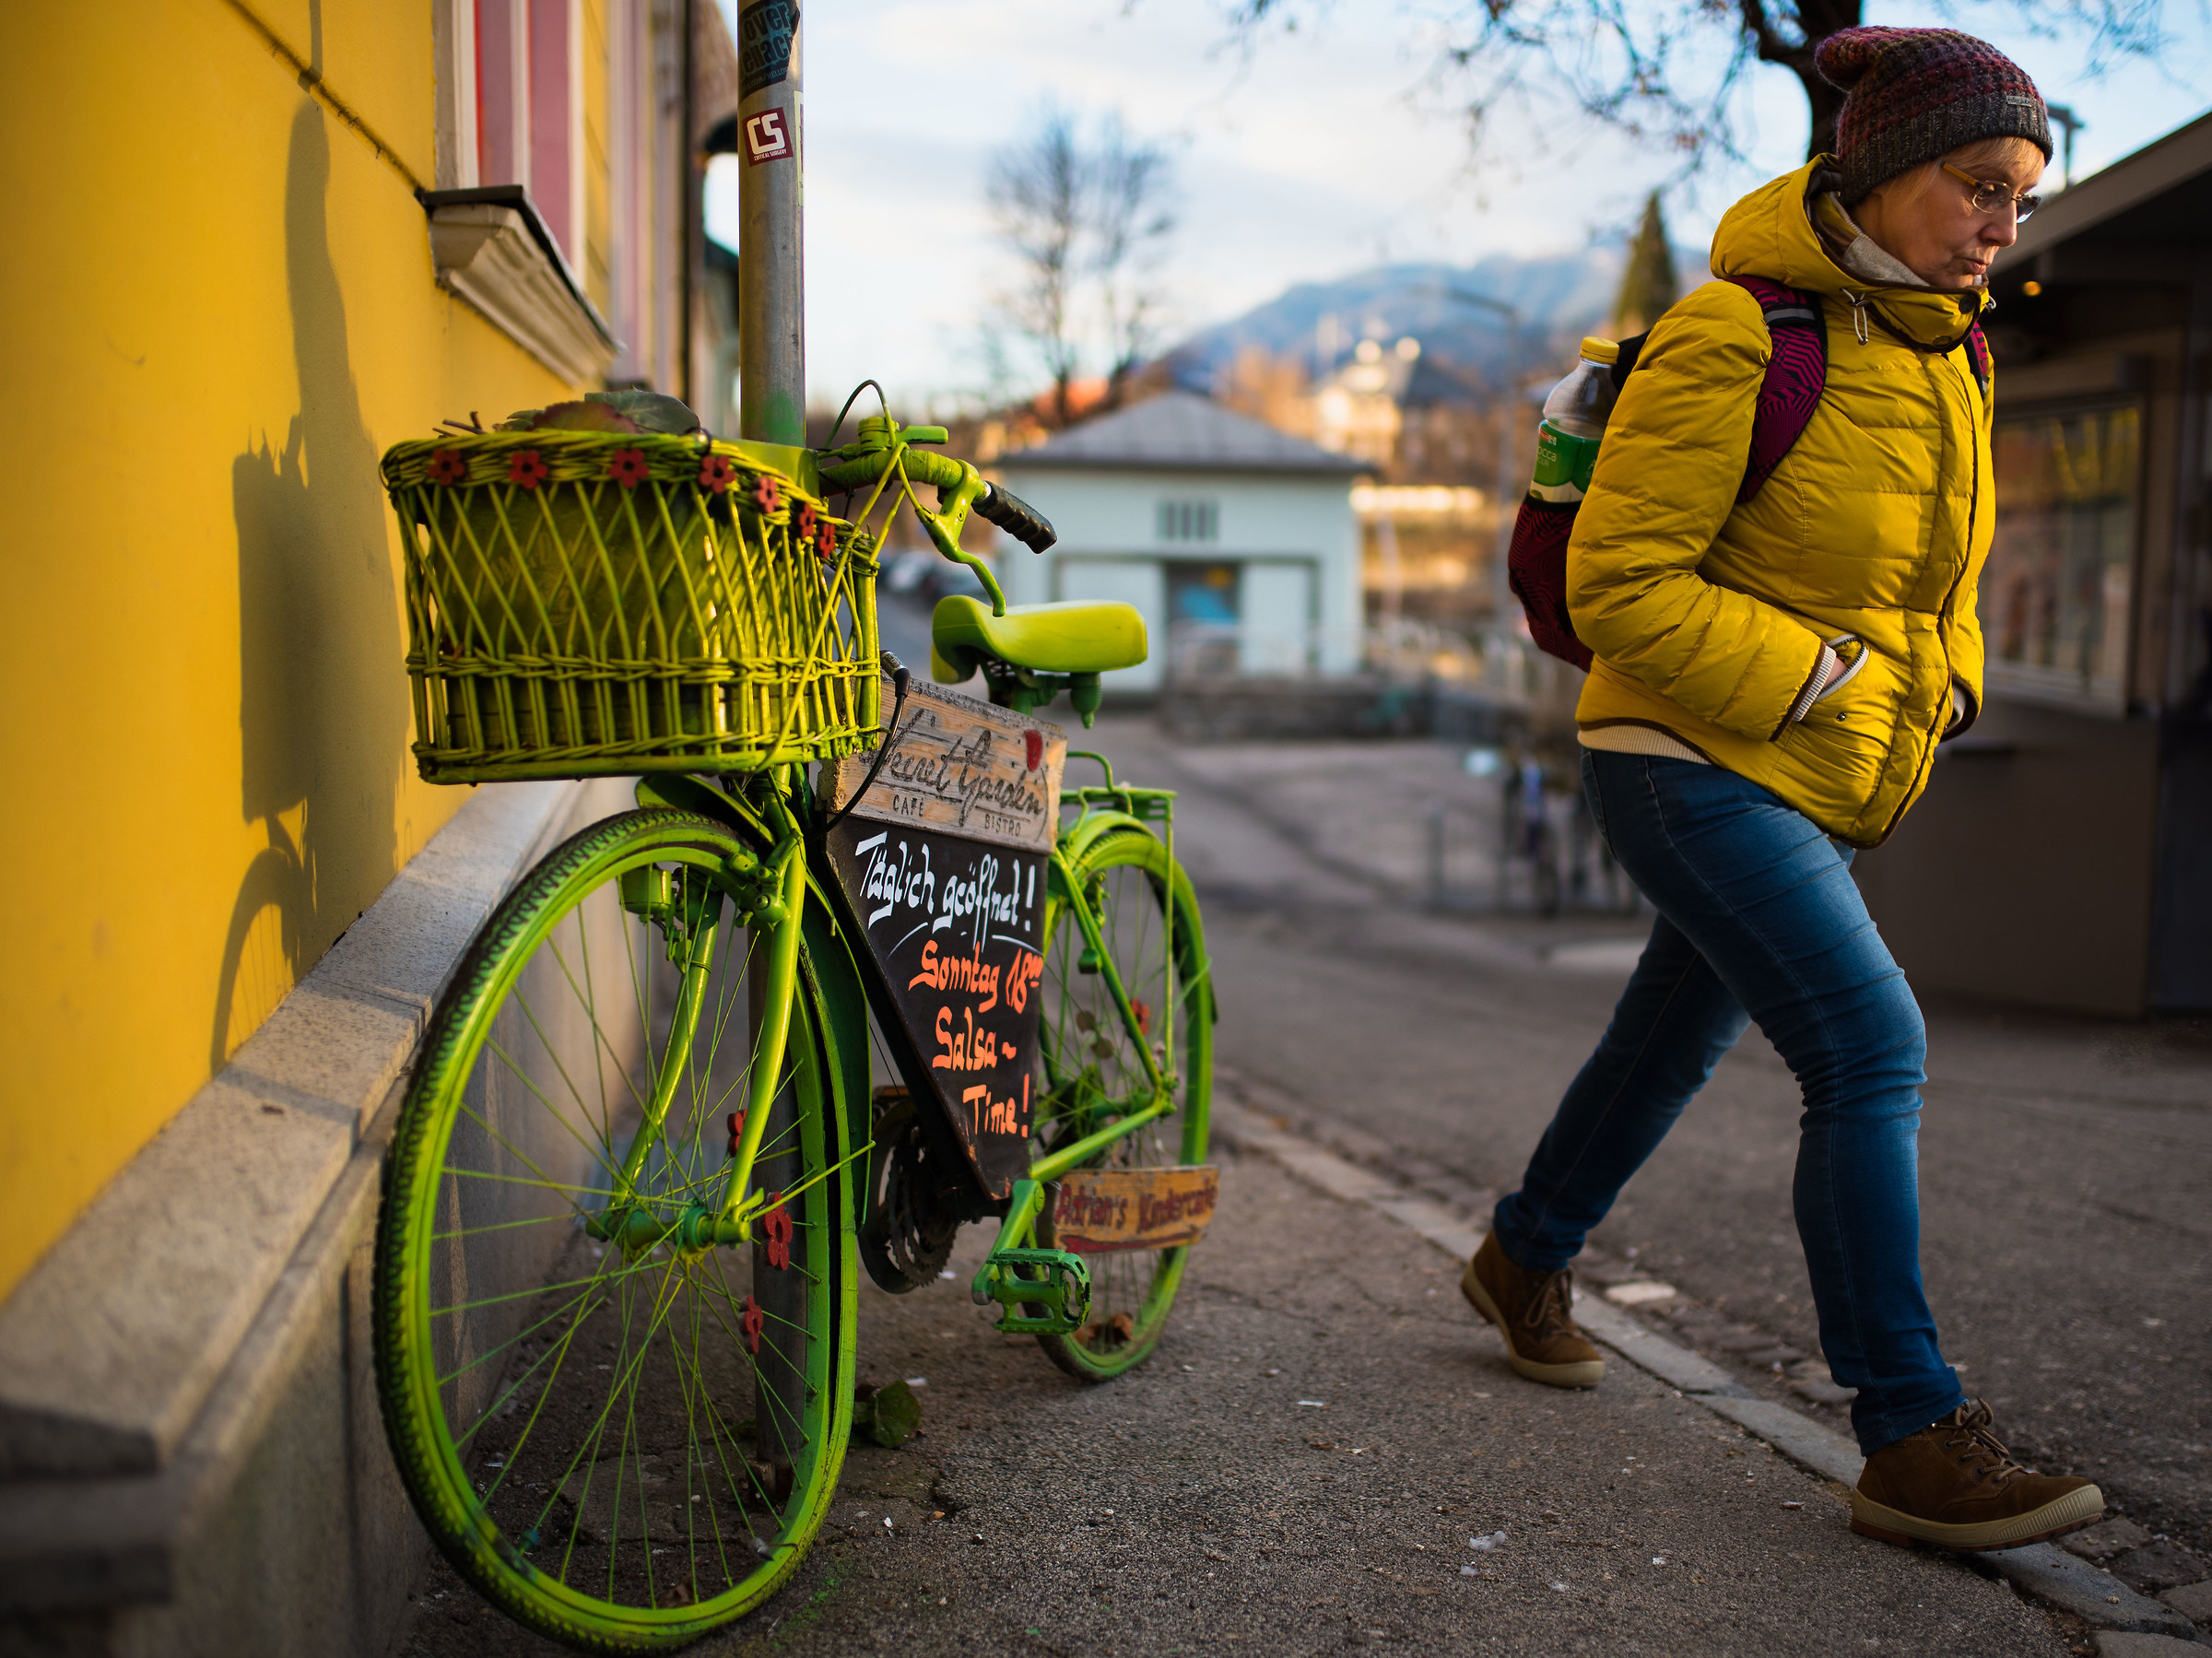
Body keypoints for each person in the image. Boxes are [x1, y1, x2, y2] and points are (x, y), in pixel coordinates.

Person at [1458, 27, 2106, 1554]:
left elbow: (1937, 582)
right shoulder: (1734, 336)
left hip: (1803, 769)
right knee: (1869, 1045)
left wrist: (1945, 689)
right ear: (1881, 172)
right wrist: (1825, 680)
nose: (2003, 226)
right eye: (1979, 186)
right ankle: (1909, 1431)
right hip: (1684, 760)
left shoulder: (1952, 356)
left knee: (1670, 1037)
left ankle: (1523, 1252)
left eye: (2022, 196)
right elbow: (1622, 584)